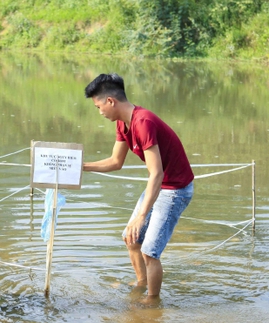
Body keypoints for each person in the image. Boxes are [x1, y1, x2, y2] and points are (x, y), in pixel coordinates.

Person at [82, 73, 194, 304]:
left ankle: (152, 304)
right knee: (131, 239)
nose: (99, 111)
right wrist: (80, 167)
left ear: (110, 101)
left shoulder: (143, 122)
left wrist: (141, 216)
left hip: (175, 189)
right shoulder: (123, 123)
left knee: (150, 251)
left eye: (98, 106)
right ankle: (142, 283)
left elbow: (157, 173)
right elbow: (115, 162)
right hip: (160, 185)